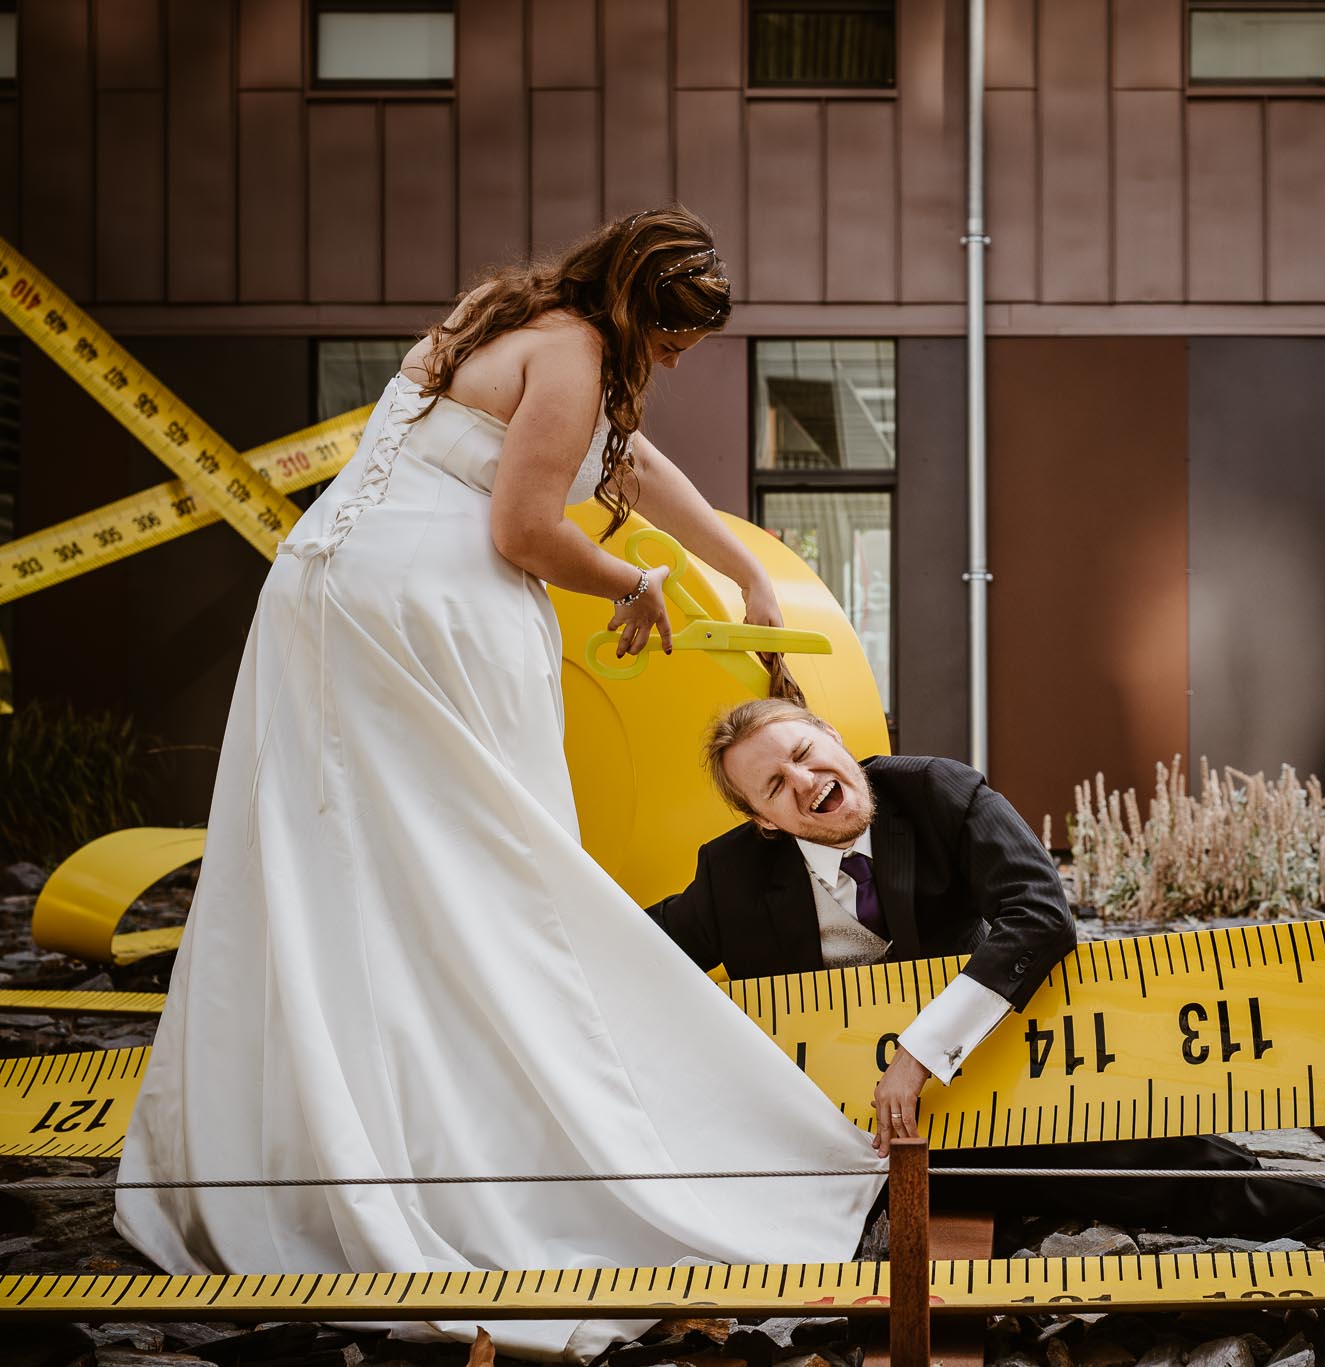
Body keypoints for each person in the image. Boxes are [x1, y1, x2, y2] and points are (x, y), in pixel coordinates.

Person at [114, 208, 885, 1365]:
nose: (672, 363)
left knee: (346, 874)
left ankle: (346, 1126)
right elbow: (527, 527)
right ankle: (502, 1144)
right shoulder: (577, 348)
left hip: (331, 596)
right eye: (670, 341)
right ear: (635, 308)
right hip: (429, 617)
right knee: (493, 882)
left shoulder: (509, 319)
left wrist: (731, 559)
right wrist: (638, 581)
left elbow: (616, 459)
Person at [646, 698, 1325, 1246]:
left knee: (1179, 990)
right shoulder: (732, 877)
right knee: (1162, 1161)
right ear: (765, 822)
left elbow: (1043, 915)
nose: (804, 780)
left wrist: (920, 1050)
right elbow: (627, 954)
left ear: (836, 738)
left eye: (806, 753)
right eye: (774, 785)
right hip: (902, 1152)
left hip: (1004, 1053)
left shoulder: (938, 789)